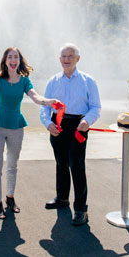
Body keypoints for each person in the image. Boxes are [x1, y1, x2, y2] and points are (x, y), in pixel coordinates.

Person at [0, 47, 59, 219]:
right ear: (5, 61)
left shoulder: (25, 80)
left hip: (16, 127)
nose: (13, 59)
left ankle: (10, 198)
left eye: (15, 57)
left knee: (12, 165)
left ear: (19, 61)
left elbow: (35, 97)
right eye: (9, 57)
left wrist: (48, 102)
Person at [40, 43, 101, 226]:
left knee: (77, 166)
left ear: (77, 59)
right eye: (63, 57)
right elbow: (44, 107)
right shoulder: (53, 81)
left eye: (70, 56)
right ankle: (62, 198)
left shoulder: (88, 81)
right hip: (57, 125)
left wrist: (87, 121)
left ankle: (81, 209)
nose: (66, 60)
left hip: (78, 126)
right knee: (61, 163)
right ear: (60, 60)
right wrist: (48, 124)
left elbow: (96, 107)